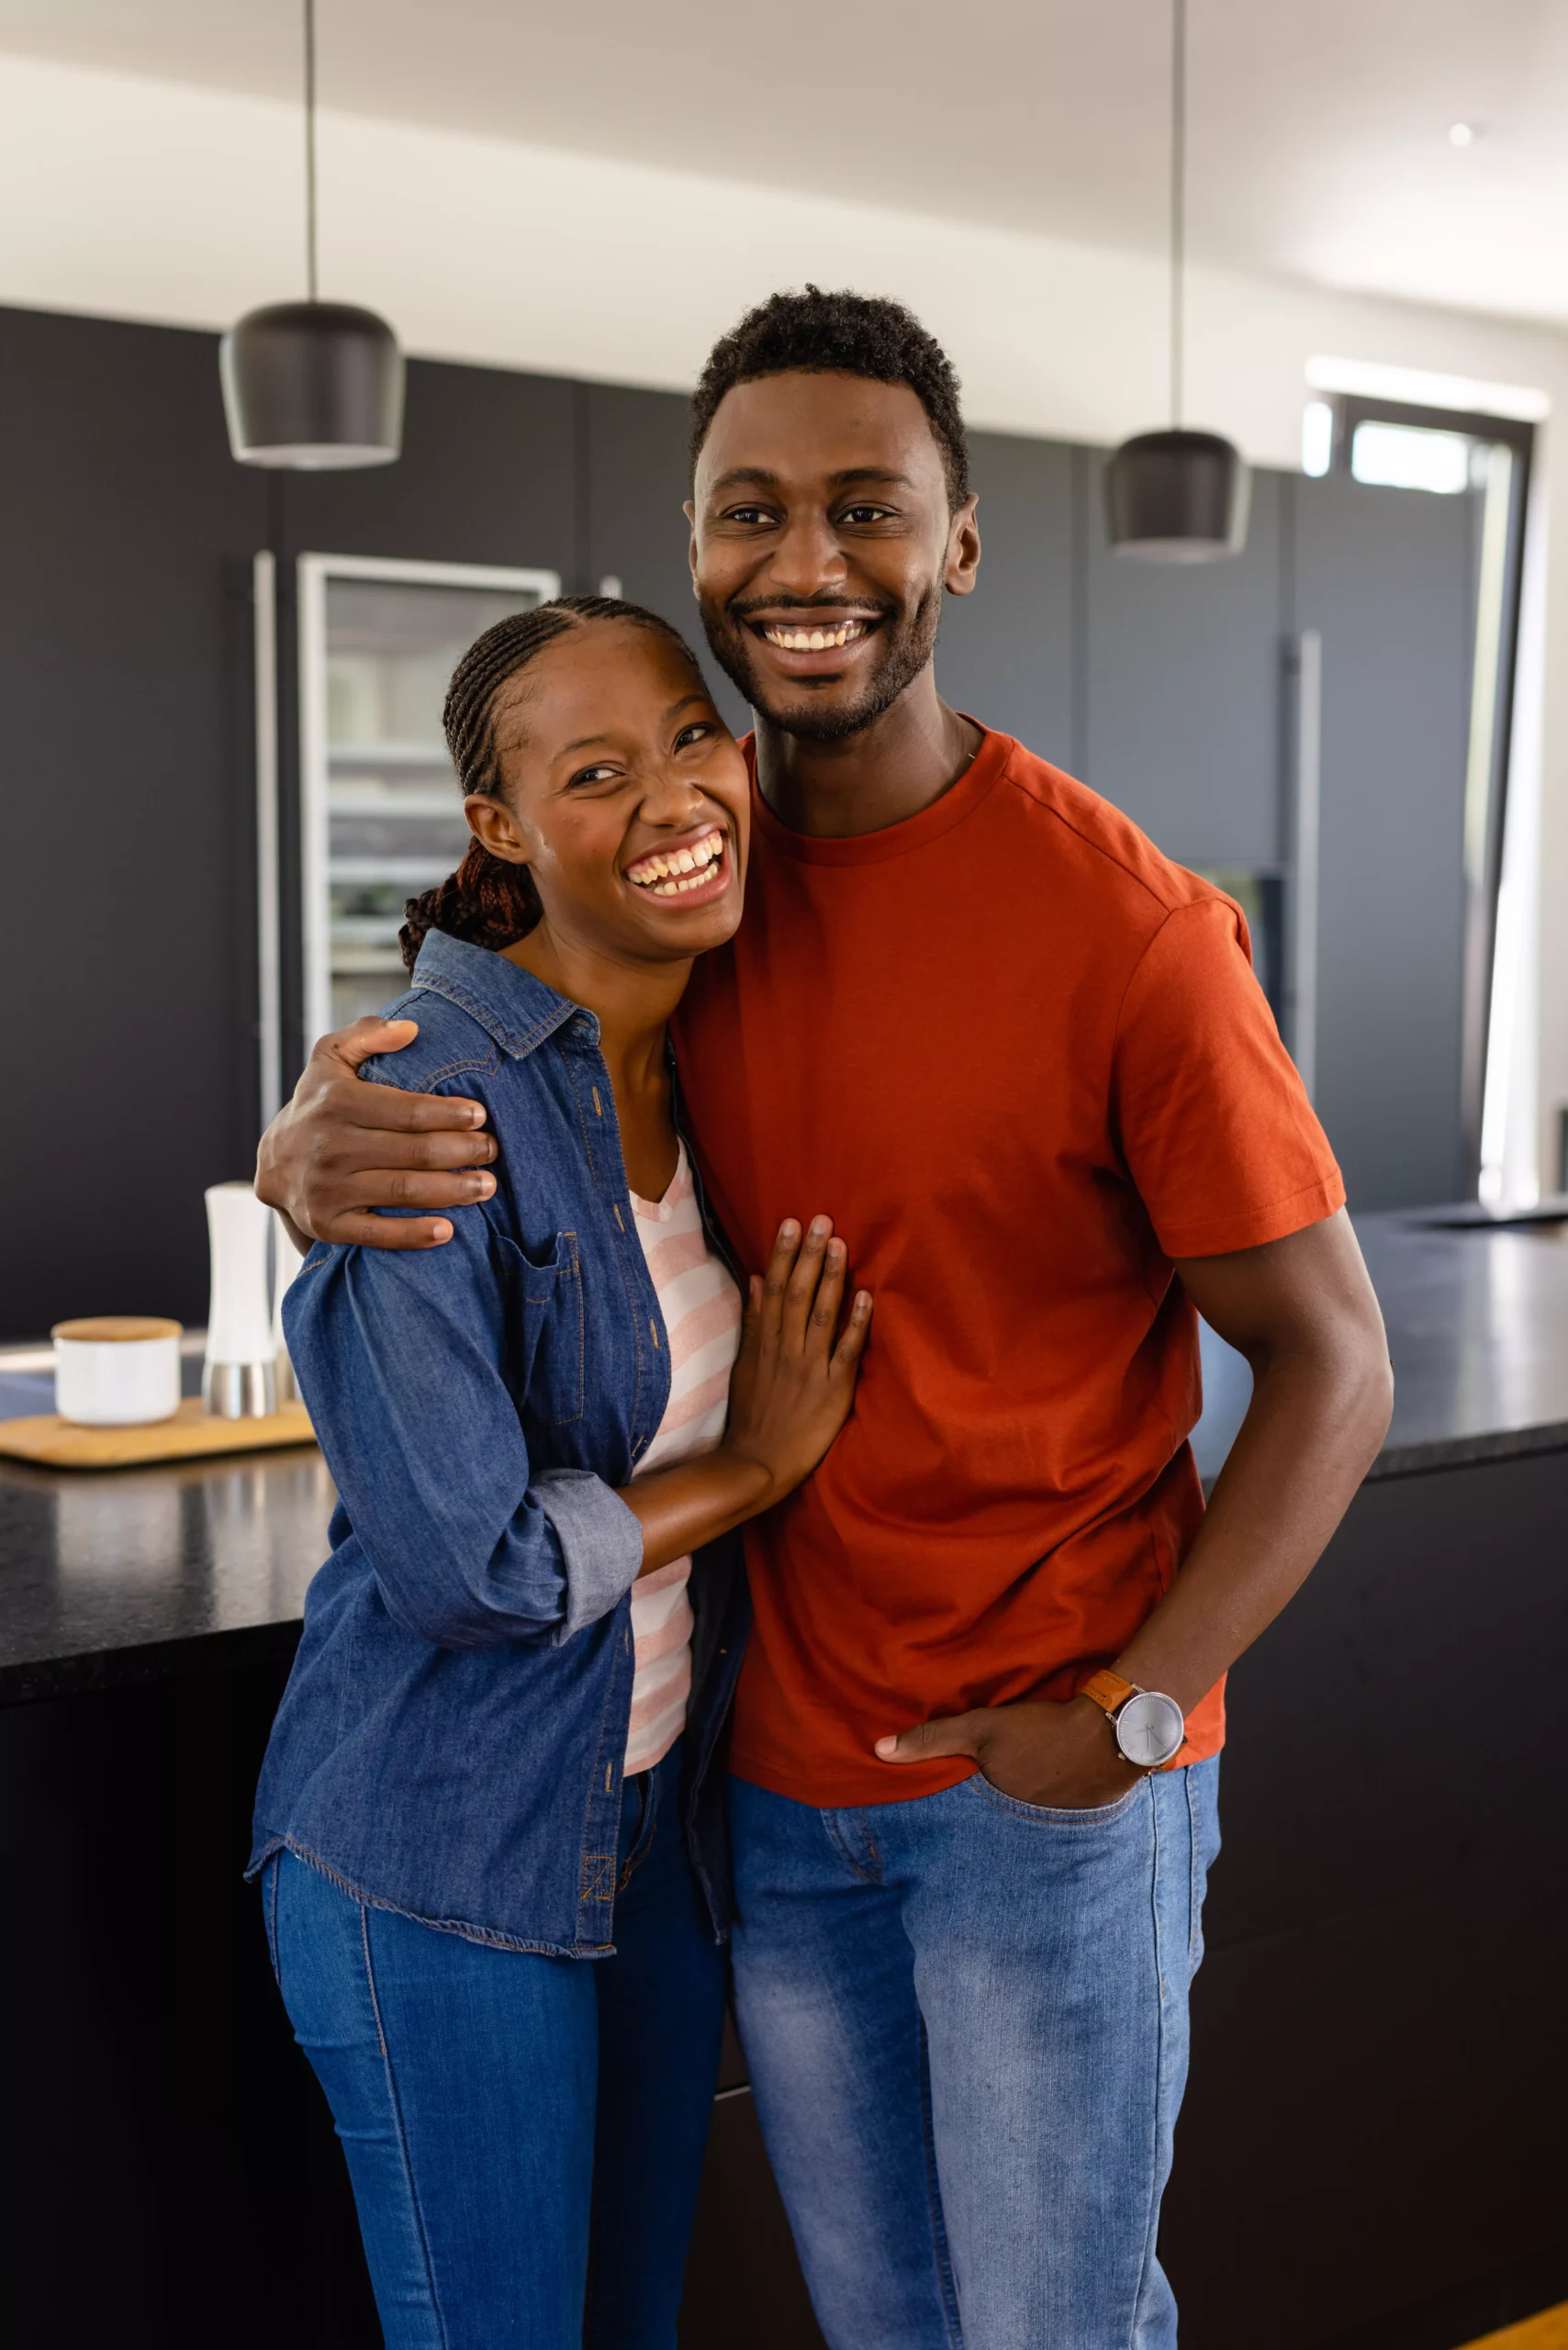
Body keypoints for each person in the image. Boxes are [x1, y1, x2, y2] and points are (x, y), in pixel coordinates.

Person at [256, 292, 1394, 2350]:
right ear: (697, 547)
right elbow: (489, 975)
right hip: (768, 1797)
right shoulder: (711, 878)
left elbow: (1334, 1360)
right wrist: (309, 1120)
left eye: (864, 508)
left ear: (954, 543)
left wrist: (1132, 1716)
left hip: (1044, 1784)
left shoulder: (1123, 930)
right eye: (748, 511)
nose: (804, 563)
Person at [248, 593, 870, 2350]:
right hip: (439, 1852)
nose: (674, 797)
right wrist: (758, 1466)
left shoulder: (715, 1037)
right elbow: (477, 1571)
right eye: (595, 772)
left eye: (690, 736)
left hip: (652, 1831)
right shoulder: (420, 1105)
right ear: (501, 832)